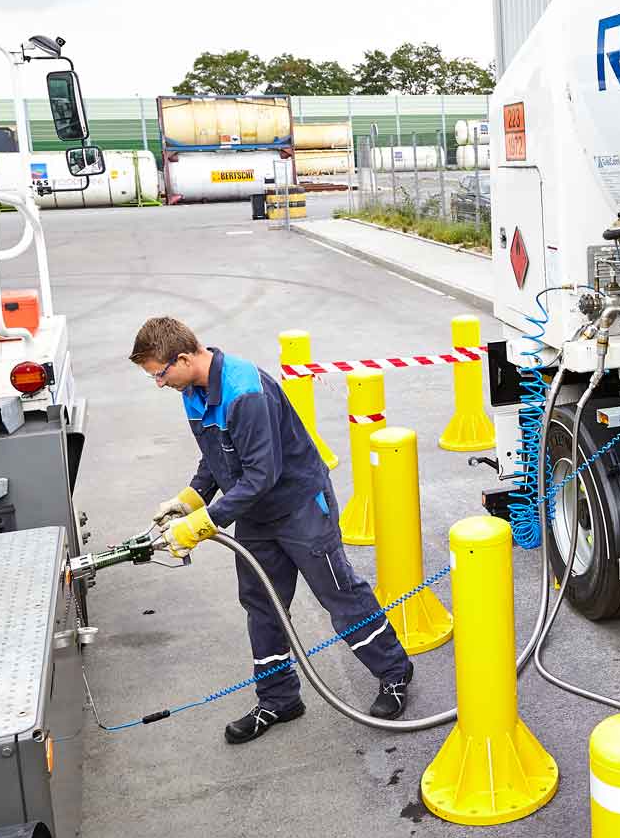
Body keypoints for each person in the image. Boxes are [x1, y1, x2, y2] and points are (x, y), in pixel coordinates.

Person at [130, 316, 412, 743]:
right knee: (262, 606)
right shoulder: (192, 392)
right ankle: (279, 698)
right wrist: (189, 498)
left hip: (300, 506)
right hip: (256, 514)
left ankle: (394, 671)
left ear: (184, 358)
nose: (158, 383)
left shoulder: (246, 391)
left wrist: (204, 524)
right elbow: (217, 458)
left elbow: (262, 474)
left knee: (339, 595)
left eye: (159, 374)